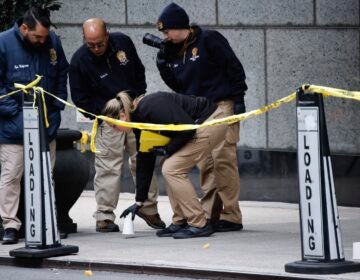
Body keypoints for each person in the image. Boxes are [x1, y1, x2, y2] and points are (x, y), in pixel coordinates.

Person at [153, 3, 247, 232]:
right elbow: (178, 85)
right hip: (199, 110)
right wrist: (163, 65)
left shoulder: (209, 39)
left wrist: (239, 99)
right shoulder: (175, 51)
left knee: (222, 161)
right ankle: (210, 216)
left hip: (221, 104)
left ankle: (231, 216)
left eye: (167, 32)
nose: (165, 37)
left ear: (179, 26)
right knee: (206, 163)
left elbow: (234, 68)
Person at [69, 18, 165, 232]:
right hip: (108, 117)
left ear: (107, 35)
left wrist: (137, 100)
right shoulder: (79, 61)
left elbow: (139, 71)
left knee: (143, 159)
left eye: (100, 44)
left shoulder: (123, 43)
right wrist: (109, 111)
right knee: (107, 167)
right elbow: (80, 99)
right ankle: (104, 215)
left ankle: (148, 208)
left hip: (135, 111)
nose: (95, 48)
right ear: (84, 39)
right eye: (90, 44)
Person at [104, 91, 228, 239]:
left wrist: (167, 149)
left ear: (122, 117)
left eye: (113, 126)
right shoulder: (137, 120)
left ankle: (198, 223)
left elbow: (186, 127)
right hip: (199, 124)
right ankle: (180, 221)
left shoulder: (150, 107)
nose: (113, 130)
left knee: (172, 168)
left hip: (211, 121)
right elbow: (144, 157)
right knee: (168, 166)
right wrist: (139, 201)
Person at [0, 7, 68, 244]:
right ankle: (10, 225)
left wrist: (57, 107)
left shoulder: (51, 41)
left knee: (45, 176)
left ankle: (45, 221)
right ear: (24, 28)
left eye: (45, 37)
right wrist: (15, 114)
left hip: (46, 122)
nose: (42, 41)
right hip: (13, 126)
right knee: (11, 176)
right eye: (37, 37)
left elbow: (61, 72)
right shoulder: (3, 43)